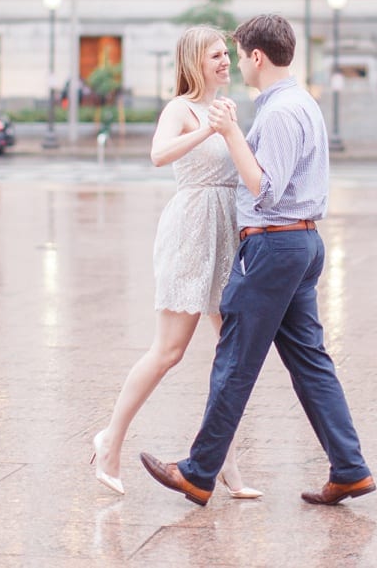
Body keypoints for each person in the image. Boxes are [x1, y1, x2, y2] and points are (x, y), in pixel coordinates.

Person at [140, 13, 374, 507]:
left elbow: (265, 188)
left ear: (258, 57)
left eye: (240, 55)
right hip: (297, 245)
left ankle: (199, 473)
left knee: (234, 360)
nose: (236, 63)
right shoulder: (299, 102)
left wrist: (229, 135)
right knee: (310, 363)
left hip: (275, 245)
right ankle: (349, 468)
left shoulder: (281, 112)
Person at [91, 25, 260, 500]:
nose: (226, 61)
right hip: (190, 231)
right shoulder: (181, 109)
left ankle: (225, 463)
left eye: (227, 54)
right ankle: (110, 440)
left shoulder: (228, 108)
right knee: (169, 351)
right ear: (193, 62)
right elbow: (157, 155)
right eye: (215, 56)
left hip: (227, 232)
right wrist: (208, 128)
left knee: (231, 357)